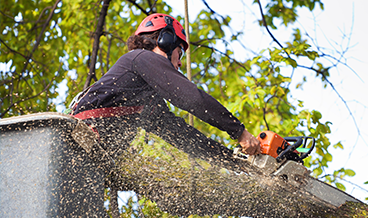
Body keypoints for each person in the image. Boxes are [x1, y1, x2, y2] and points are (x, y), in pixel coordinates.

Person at [72, 13, 260, 162]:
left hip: (88, 157)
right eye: (180, 52)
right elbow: (192, 98)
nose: (179, 63)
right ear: (166, 41)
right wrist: (239, 132)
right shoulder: (141, 58)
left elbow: (184, 137)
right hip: (78, 141)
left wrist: (234, 161)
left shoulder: (147, 100)